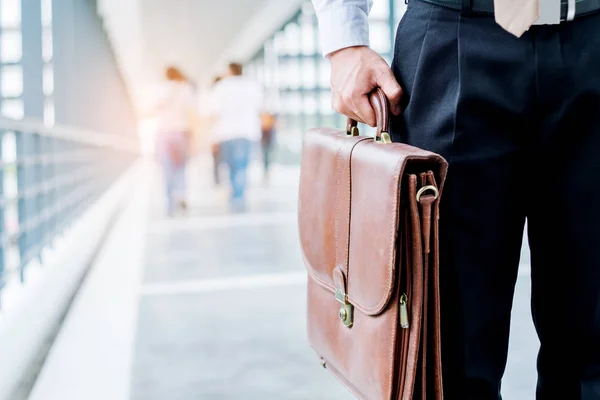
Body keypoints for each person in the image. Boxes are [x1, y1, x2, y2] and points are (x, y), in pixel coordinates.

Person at [311, 0, 600, 399]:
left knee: (593, 352)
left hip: (594, 31)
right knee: (449, 358)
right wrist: (344, 40)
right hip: (455, 35)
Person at [210, 62, 264, 209]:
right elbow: (260, 108)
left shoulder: (221, 87)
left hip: (226, 133)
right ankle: (239, 196)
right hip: (248, 132)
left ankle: (235, 194)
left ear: (229, 71)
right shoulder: (252, 86)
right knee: (242, 166)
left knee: (231, 166)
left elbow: (214, 113)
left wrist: (213, 137)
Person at [148, 66, 197, 216]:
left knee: (166, 169)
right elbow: (192, 112)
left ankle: (169, 201)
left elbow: (153, 108)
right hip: (182, 131)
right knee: (181, 167)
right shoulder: (185, 89)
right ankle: (181, 195)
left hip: (164, 133)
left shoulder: (160, 89)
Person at [260, 111, 277, 182]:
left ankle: (267, 172)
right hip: (265, 141)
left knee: (267, 157)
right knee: (265, 157)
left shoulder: (271, 118)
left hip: (268, 141)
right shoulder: (265, 118)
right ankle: (266, 172)